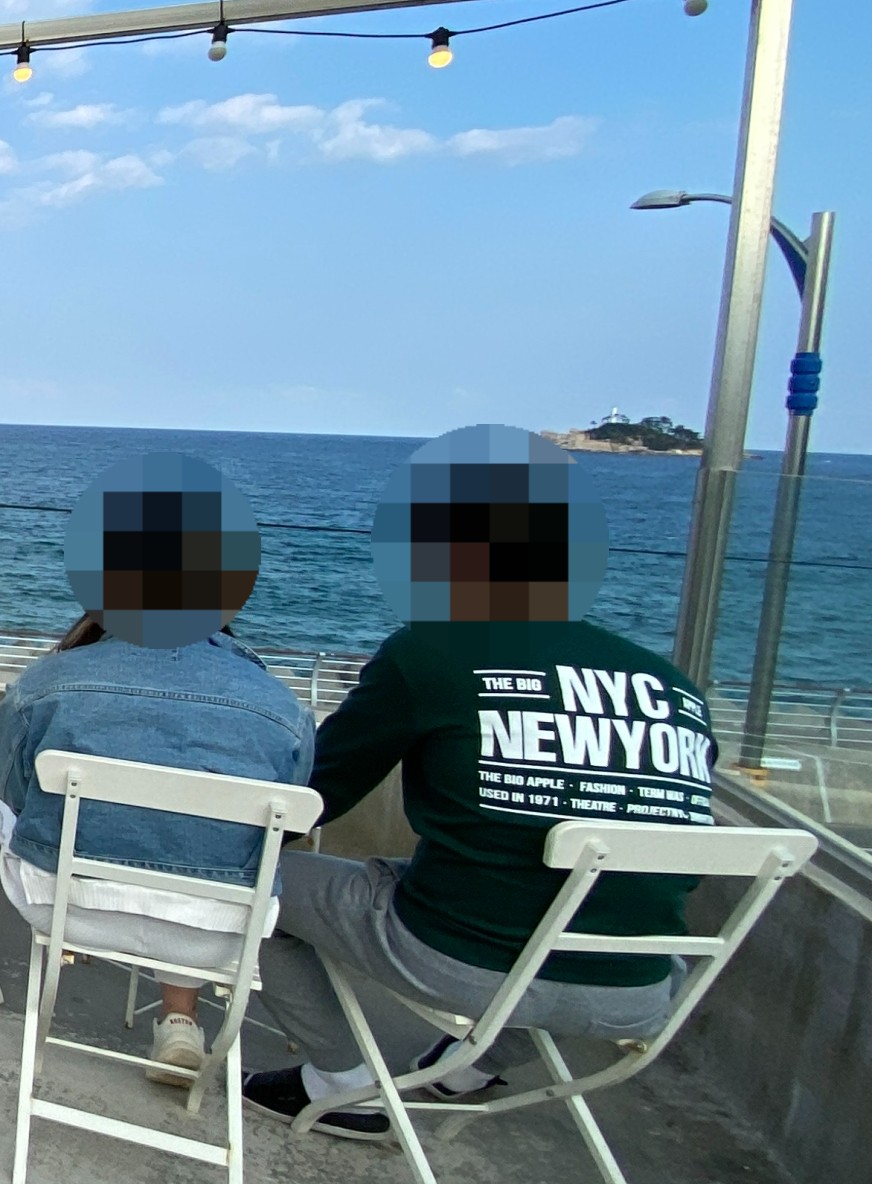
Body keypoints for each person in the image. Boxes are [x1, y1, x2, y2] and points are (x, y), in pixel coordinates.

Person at [242, 426, 714, 1141]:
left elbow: (310, 796)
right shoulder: (674, 686)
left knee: (257, 884)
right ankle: (464, 1070)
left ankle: (341, 1083)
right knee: (550, 908)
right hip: (639, 987)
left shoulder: (433, 650)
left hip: (468, 963)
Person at [0, 454, 316, 1085]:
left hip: (65, 903)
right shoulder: (283, 712)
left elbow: (19, 793)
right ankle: (180, 1018)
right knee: (204, 844)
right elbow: (287, 826)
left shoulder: (48, 685)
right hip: (218, 934)